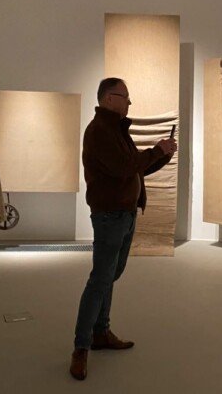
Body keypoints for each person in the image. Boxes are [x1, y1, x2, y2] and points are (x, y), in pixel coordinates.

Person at [70, 77, 177, 380]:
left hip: (125, 214)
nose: (129, 102)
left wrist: (163, 154)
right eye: (125, 96)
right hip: (110, 216)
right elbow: (123, 167)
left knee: (109, 276)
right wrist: (156, 150)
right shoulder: (99, 131)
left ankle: (101, 332)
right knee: (100, 280)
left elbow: (136, 168)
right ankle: (80, 347)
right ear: (108, 98)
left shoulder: (116, 130)